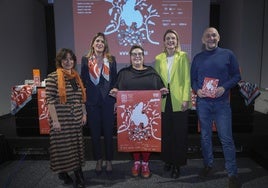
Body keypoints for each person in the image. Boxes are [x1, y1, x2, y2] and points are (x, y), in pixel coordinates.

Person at [190, 27, 241, 188]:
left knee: (226, 138)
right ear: (203, 40)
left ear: (218, 38)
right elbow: (193, 80)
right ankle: (208, 165)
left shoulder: (228, 54)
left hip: (222, 104)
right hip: (203, 104)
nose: (211, 38)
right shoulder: (198, 58)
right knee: (205, 138)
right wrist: (197, 90)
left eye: (214, 35)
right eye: (207, 35)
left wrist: (224, 88)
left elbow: (237, 76)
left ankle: (232, 174)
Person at [110, 45, 168, 178]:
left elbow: (161, 90)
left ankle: (145, 163)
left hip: (148, 115)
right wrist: (115, 93)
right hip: (130, 115)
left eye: (140, 54)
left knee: (147, 136)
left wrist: (162, 92)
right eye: (134, 54)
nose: (137, 56)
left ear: (143, 57)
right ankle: (136, 162)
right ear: (130, 57)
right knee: (133, 136)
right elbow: (116, 89)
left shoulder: (152, 73)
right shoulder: (123, 73)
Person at [45, 48, 87, 188]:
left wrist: (84, 113)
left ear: (74, 61)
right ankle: (66, 174)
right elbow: (50, 101)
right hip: (61, 119)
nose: (68, 62)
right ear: (60, 61)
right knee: (63, 148)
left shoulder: (76, 77)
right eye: (65, 59)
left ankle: (78, 175)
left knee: (76, 148)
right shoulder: (53, 77)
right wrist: (55, 121)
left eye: (71, 59)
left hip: (75, 118)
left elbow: (80, 98)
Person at [154, 29, 192, 179]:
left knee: (179, 134)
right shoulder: (158, 58)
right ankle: (168, 160)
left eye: (173, 38)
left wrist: (185, 99)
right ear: (164, 42)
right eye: (168, 38)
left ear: (177, 42)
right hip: (163, 101)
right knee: (166, 133)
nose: (170, 41)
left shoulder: (182, 56)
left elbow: (187, 79)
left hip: (179, 101)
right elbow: (156, 80)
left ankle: (177, 164)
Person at [80, 32, 117, 175]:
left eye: (102, 41)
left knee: (108, 132)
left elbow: (114, 81)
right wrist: (83, 102)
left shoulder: (111, 59)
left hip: (108, 101)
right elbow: (83, 80)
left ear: (105, 44)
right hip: (92, 102)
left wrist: (115, 100)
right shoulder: (85, 60)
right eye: (97, 41)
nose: (99, 43)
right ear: (93, 44)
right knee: (95, 134)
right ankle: (98, 160)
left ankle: (108, 160)